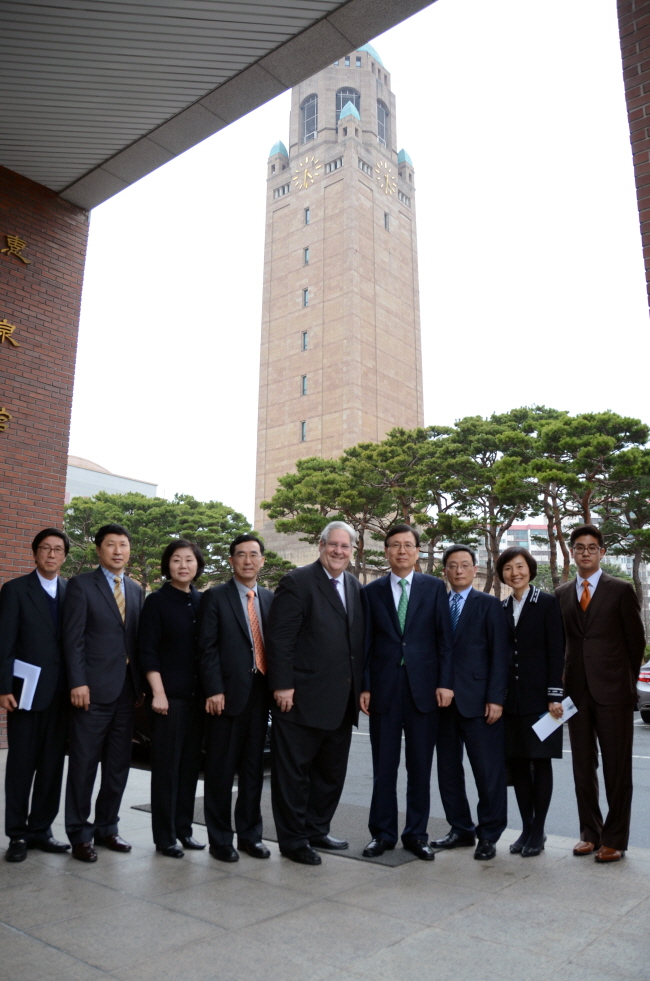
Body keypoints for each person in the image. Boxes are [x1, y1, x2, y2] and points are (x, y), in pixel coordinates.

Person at [266, 520, 364, 865]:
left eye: (345, 546)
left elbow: (356, 644)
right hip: (300, 698)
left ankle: (317, 829)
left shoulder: (353, 585)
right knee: (294, 775)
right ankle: (293, 841)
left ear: (352, 551)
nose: (339, 551)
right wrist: (282, 685)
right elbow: (280, 639)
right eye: (333, 544)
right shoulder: (297, 582)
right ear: (321, 545)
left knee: (329, 773)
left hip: (341, 700)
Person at [360, 524, 453, 860]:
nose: (402, 551)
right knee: (383, 767)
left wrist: (445, 683)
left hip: (424, 690)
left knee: (419, 767)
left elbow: (444, 641)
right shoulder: (371, 592)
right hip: (384, 689)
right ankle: (382, 834)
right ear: (386, 551)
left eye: (408, 545)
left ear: (417, 551)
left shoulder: (433, 588)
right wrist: (366, 686)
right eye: (395, 545)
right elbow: (366, 644)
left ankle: (416, 834)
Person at [556, 524, 645, 863]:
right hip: (576, 694)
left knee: (617, 769)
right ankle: (589, 834)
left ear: (602, 552)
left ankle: (615, 839)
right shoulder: (562, 593)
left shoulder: (619, 590)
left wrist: (624, 681)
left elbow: (635, 642)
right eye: (579, 547)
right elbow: (562, 643)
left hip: (614, 694)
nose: (586, 553)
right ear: (573, 552)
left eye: (592, 547)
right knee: (582, 768)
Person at [62, 523, 144, 862]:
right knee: (83, 764)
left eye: (123, 545)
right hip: (91, 691)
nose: (118, 551)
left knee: (117, 766)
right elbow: (73, 639)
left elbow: (136, 640)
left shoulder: (136, 589)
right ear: (99, 550)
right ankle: (79, 833)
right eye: (111, 545)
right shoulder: (81, 586)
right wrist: (77, 682)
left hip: (127, 692)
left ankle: (107, 827)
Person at [198, 534, 273, 863]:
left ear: (262, 561)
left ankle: (250, 835)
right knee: (220, 771)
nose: (247, 560)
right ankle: (219, 839)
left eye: (253, 555)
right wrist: (214, 689)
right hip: (226, 696)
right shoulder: (215, 597)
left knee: (254, 770)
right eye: (240, 555)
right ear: (231, 560)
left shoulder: (270, 599)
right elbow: (206, 648)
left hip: (261, 696)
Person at [431, 545, 509, 860]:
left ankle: (489, 834)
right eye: (452, 566)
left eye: (465, 565)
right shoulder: (436, 605)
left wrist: (495, 698)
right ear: (445, 572)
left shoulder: (490, 605)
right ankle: (460, 829)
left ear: (475, 570)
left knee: (487, 772)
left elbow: (499, 655)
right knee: (448, 771)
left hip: (480, 704)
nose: (459, 570)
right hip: (442, 703)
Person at [0, 528, 70, 862]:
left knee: (52, 766)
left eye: (58, 549)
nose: (52, 555)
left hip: (62, 695)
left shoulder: (72, 592)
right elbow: (4, 644)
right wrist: (2, 688)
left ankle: (42, 830)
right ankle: (17, 835)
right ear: (35, 553)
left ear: (65, 556)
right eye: (46, 548)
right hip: (26, 694)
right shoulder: (14, 590)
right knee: (21, 765)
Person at [138, 539, 206, 858]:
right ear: (168, 565)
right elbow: (147, 651)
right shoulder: (157, 601)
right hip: (169, 700)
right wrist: (158, 692)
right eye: (176, 560)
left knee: (190, 768)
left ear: (197, 565)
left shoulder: (202, 600)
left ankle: (184, 830)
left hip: (198, 700)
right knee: (166, 769)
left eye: (189, 560)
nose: (183, 565)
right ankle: (164, 837)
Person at [497, 547, 565, 857]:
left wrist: (555, 695)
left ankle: (539, 831)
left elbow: (556, 650)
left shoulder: (547, 603)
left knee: (541, 761)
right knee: (519, 766)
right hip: (511, 702)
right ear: (503, 574)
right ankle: (526, 826)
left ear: (530, 569)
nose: (515, 573)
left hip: (542, 702)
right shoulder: (501, 607)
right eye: (508, 568)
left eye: (520, 566)